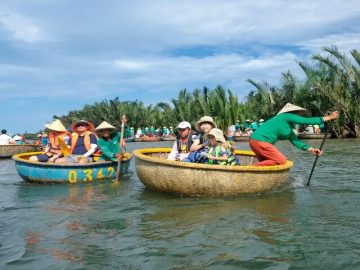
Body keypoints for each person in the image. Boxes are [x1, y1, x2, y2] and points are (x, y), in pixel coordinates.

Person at [249, 103, 339, 166]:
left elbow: (296, 141)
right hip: (260, 142)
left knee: (267, 162)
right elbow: (307, 121)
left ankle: (254, 171)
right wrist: (329, 117)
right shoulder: (285, 116)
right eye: (296, 113)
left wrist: (311, 149)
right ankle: (250, 169)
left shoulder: (287, 128)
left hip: (256, 142)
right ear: (291, 112)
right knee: (281, 160)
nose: (297, 115)